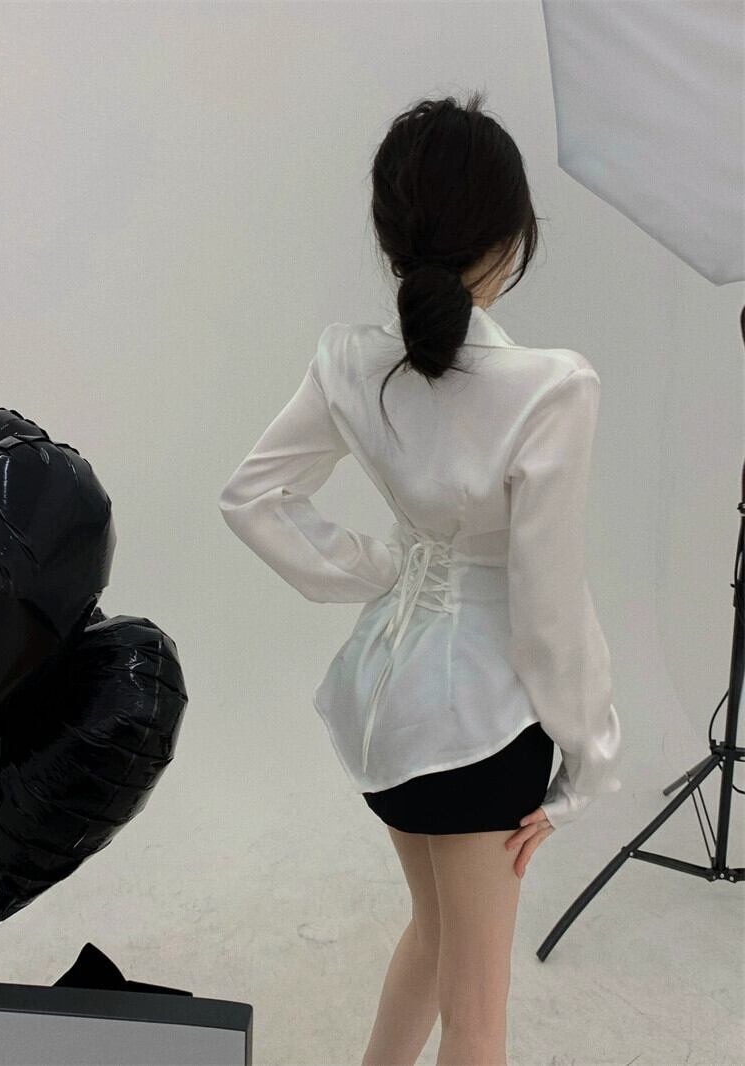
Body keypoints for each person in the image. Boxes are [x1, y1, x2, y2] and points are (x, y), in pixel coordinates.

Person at [218, 91, 622, 1066]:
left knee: (433, 935)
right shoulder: (550, 388)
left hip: (385, 712)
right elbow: (546, 608)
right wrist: (590, 755)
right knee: (477, 1015)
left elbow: (253, 497)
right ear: (509, 239)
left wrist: (385, 570)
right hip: (484, 729)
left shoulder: (348, 362)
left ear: (391, 235)